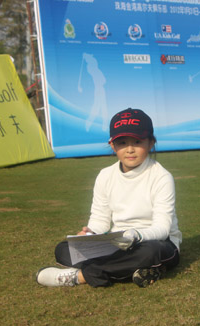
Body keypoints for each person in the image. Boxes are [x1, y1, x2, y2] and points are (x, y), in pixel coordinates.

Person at [36, 108, 181, 288]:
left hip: (155, 242)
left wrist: (136, 235)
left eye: (137, 142)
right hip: (116, 244)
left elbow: (163, 228)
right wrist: (89, 234)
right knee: (63, 249)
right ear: (112, 145)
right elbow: (100, 220)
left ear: (151, 142)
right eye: (122, 143)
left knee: (151, 253)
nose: (130, 149)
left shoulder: (161, 177)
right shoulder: (105, 175)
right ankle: (135, 270)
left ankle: (79, 277)